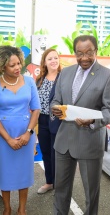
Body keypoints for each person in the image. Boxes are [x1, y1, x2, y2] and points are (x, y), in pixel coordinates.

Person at [51, 35, 110, 214]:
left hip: (89, 140)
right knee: (61, 190)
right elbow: (56, 99)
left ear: (96, 51)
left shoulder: (108, 76)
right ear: (74, 53)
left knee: (91, 193)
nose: (84, 58)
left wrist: (93, 120)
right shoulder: (65, 72)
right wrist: (55, 108)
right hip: (64, 141)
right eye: (79, 53)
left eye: (89, 53)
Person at [0, 46, 40, 215]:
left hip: (26, 133)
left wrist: (28, 133)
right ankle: (7, 208)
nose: (17, 68)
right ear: (2, 66)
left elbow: (36, 109)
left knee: (24, 172)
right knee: (5, 172)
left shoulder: (30, 82)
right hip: (3, 135)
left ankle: (22, 209)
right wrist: (8, 139)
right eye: (12, 65)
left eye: (19, 63)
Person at [35, 49, 62, 194]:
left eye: (55, 58)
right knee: (45, 152)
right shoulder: (40, 79)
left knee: (56, 152)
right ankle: (49, 182)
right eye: (50, 59)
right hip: (42, 120)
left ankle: (60, 184)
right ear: (44, 62)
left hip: (58, 120)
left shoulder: (63, 78)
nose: (53, 61)